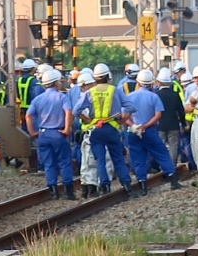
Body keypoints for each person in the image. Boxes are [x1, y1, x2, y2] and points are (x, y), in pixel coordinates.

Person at [73, 63, 135, 196]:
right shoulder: (115, 90)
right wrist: (123, 120)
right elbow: (130, 107)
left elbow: (76, 111)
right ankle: (127, 186)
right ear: (108, 76)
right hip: (112, 129)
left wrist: (89, 120)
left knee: (100, 159)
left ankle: (104, 186)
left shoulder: (90, 92)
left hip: (96, 130)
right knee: (118, 158)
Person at [126, 69, 183, 196]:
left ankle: (142, 186)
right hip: (150, 131)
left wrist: (135, 126)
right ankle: (173, 180)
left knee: (138, 158)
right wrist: (146, 126)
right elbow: (158, 115)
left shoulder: (129, 97)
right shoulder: (154, 96)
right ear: (151, 83)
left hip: (133, 132)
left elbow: (125, 116)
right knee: (162, 154)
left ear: (138, 82)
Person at [25, 69, 76, 200]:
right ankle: (69, 192)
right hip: (58, 133)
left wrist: (32, 133)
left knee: (48, 164)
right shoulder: (62, 97)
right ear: (56, 83)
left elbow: (28, 115)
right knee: (64, 162)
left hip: (43, 134)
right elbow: (69, 113)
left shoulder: (37, 99)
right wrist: (66, 129)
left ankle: (53, 191)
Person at [75, 72, 115, 198]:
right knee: (101, 160)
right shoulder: (89, 97)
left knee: (87, 163)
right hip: (94, 133)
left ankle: (87, 188)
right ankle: (98, 187)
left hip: (88, 134)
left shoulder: (83, 97)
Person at [155, 68, 186, 165]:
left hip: (160, 125)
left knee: (160, 146)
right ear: (169, 83)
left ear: (159, 82)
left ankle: (163, 165)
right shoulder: (175, 95)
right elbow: (181, 111)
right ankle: (172, 166)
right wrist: (184, 124)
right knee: (173, 146)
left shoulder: (156, 95)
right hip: (173, 125)